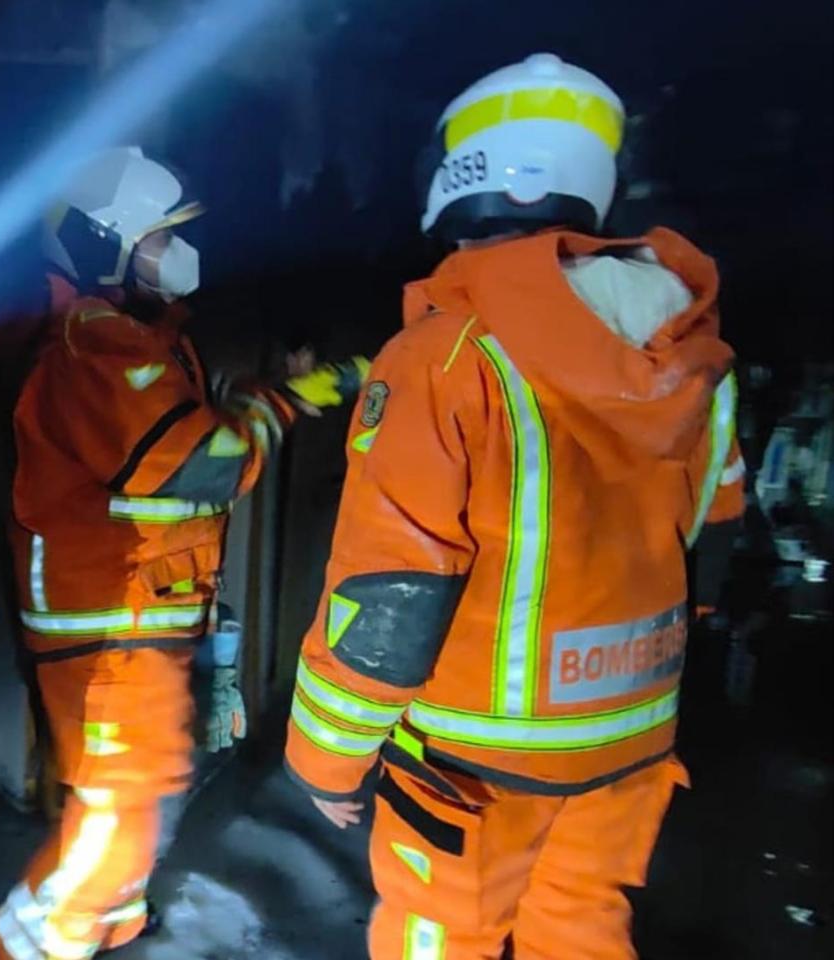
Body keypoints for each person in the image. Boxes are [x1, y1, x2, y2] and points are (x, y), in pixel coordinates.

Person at [283, 53, 745, 959]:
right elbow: (712, 549)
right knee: (580, 935)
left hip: (470, 762)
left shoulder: (443, 358)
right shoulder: (692, 354)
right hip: (630, 739)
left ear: (462, 178)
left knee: (437, 938)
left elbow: (390, 591)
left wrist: (326, 759)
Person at [0, 146, 366, 960]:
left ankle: (103, 922)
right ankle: (35, 941)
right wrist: (287, 401)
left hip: (137, 612)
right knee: (125, 798)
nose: (179, 256)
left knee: (126, 793)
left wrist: (271, 397)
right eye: (161, 238)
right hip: (110, 616)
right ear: (103, 242)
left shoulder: (139, 340)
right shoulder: (99, 344)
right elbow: (203, 467)